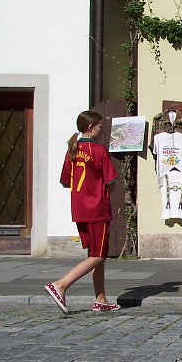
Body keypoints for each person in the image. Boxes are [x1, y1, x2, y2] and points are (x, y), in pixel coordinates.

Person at [44, 110, 120, 314]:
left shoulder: (73, 148)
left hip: (79, 209)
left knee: (95, 253)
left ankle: (100, 298)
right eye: (100, 127)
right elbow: (111, 181)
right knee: (99, 255)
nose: (101, 131)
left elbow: (65, 181)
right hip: (97, 208)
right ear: (91, 127)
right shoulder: (99, 150)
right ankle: (61, 284)